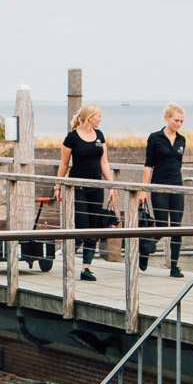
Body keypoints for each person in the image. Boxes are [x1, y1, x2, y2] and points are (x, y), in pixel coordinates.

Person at [54, 103, 116, 282]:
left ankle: (86, 268)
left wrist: (111, 185)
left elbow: (104, 163)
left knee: (94, 227)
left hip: (96, 187)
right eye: (99, 116)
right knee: (83, 226)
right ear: (90, 117)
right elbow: (64, 164)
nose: (101, 119)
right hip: (78, 186)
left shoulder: (100, 136)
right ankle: (69, 254)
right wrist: (58, 185)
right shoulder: (72, 137)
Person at [139, 103, 186, 278]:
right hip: (159, 186)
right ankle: (145, 248)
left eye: (181, 121)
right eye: (176, 120)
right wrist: (144, 189)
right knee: (161, 225)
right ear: (167, 118)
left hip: (176, 186)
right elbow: (148, 166)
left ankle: (174, 266)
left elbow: (178, 165)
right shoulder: (155, 138)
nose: (178, 124)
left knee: (176, 227)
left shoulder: (182, 140)